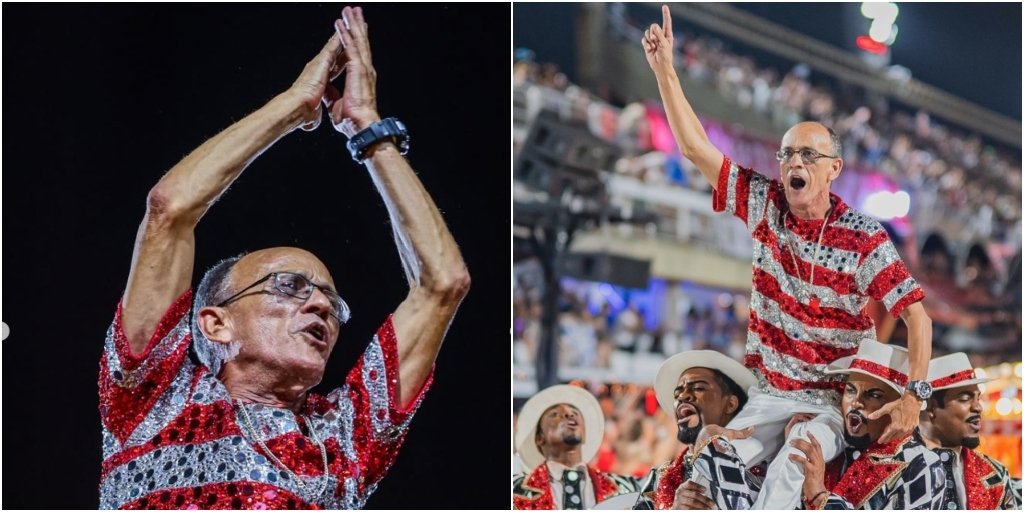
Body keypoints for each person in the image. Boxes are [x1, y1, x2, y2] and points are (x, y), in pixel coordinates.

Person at [98, 7, 470, 509]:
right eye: (289, 286)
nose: (320, 304)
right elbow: (171, 209)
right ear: (214, 323)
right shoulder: (151, 398)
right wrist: (295, 105)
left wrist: (371, 130)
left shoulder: (343, 439)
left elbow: (442, 282)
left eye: (331, 301)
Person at [641, 6, 933, 509]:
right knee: (711, 460)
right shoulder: (764, 204)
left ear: (834, 168)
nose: (793, 162)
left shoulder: (862, 237)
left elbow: (917, 316)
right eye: (786, 154)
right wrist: (666, 70)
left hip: (826, 401)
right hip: (769, 394)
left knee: (790, 469)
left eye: (808, 155)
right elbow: (694, 148)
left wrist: (915, 396)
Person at [788, 339, 945, 509]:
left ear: (899, 408)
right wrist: (788, 453)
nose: (856, 403)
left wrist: (819, 496)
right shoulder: (829, 445)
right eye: (850, 391)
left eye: (874, 395)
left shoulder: (922, 463)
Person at [633, 350, 759, 510]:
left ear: (730, 404)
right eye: (677, 393)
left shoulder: (756, 464)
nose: (683, 396)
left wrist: (711, 442)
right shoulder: (659, 477)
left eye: (698, 388)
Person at [917, 353, 1022, 510]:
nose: (978, 407)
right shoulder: (898, 469)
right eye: (965, 399)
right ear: (931, 406)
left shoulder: (994, 474)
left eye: (978, 398)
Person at [513, 385, 640, 509]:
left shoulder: (626, 489)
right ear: (539, 438)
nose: (569, 415)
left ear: (585, 433)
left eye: (575, 413)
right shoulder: (515, 490)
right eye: (555, 415)